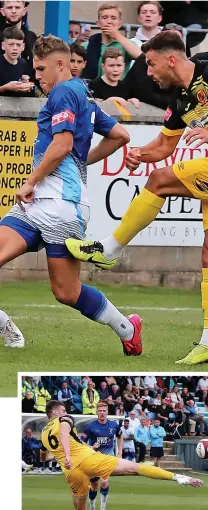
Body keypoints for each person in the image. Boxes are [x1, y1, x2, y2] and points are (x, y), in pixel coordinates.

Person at [66, 31, 208, 365]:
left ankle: (110, 249)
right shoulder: (180, 100)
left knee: (160, 180)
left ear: (170, 59)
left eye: (151, 63)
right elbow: (163, 148)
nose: (148, 71)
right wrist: (140, 154)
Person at [0, 34, 143, 356]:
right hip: (39, 204)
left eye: (40, 68)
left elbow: (63, 144)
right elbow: (120, 134)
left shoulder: (64, 91)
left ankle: (126, 326)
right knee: (64, 290)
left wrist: (30, 181)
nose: (36, 75)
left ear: (60, 64)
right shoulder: (84, 95)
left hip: (62, 207)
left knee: (65, 291)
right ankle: (5, 325)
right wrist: (80, 162)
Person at [41, 400, 202, 510]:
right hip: (88, 460)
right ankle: (178, 477)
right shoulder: (64, 419)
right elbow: (63, 432)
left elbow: (44, 456)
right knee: (135, 468)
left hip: (70, 472)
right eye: (62, 410)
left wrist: (62, 456)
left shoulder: (43, 434)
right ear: (55, 413)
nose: (65, 411)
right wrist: (69, 455)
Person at [81, 401, 122, 510]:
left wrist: (119, 452)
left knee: (104, 482)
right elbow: (81, 441)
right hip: (93, 459)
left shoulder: (114, 425)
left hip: (107, 458)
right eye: (100, 411)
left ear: (107, 412)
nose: (102, 413)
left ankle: (103, 507)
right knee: (94, 486)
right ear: (97, 412)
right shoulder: (90, 427)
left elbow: (120, 436)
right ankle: (92, 507)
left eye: (104, 411)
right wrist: (91, 447)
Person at [84, 3, 141, 80]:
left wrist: (117, 35)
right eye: (104, 17)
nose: (109, 21)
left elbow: (141, 56)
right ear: (98, 23)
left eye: (113, 18)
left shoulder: (126, 44)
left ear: (120, 24)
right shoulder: (88, 45)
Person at [0, 0, 37, 71]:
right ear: (2, 11)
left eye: (17, 7)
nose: (13, 11)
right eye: (9, 7)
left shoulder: (31, 37)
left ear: (24, 11)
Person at [0, 26, 34, 96]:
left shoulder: (23, 64)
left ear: (23, 47)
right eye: (11, 44)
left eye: (18, 45)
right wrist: (6, 87)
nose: (15, 48)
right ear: (3, 46)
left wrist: (26, 85)